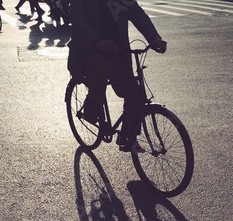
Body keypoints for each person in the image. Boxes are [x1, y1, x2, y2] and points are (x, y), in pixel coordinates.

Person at [67, 0, 167, 152]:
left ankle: (127, 136)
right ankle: (91, 107)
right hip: (89, 50)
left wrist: (154, 38)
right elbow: (77, 19)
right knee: (99, 72)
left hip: (117, 51)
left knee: (135, 93)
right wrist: (97, 41)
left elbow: (137, 13)